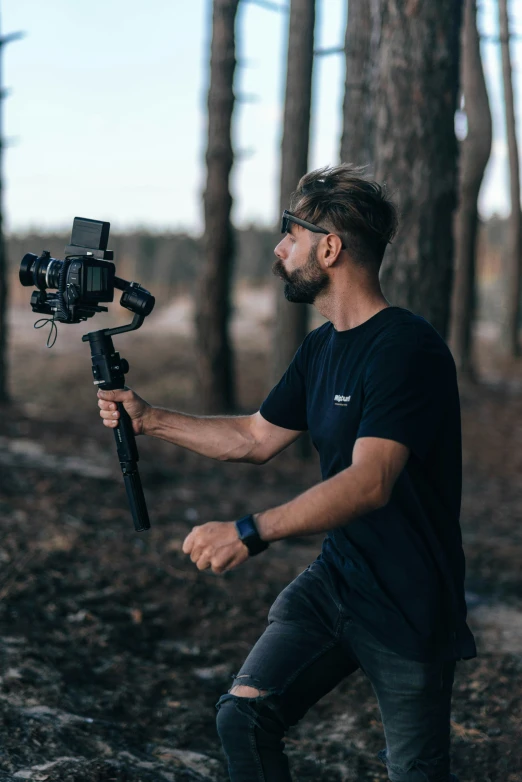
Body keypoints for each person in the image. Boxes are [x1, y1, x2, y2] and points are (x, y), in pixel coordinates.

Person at [97, 164, 476, 782]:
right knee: (243, 718)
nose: (279, 249)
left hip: (410, 602)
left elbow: (370, 481)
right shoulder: (321, 347)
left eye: (290, 235)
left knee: (417, 773)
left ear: (329, 248)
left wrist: (250, 531)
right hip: (337, 580)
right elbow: (254, 436)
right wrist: (148, 418)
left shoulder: (407, 348)